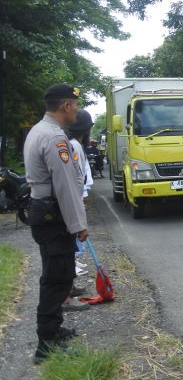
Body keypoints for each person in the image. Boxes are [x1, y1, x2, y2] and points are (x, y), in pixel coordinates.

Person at [23, 84, 89, 363]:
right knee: (56, 278)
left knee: (58, 273)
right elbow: (65, 187)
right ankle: (45, 344)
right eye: (75, 104)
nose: (77, 109)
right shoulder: (54, 138)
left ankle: (55, 330)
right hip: (53, 216)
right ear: (66, 106)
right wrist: (79, 225)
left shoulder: (41, 131)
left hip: (45, 213)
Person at [63, 109, 96, 312]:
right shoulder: (74, 146)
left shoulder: (75, 145)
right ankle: (66, 291)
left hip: (76, 198)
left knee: (72, 244)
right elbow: (74, 176)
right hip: (73, 199)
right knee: (71, 243)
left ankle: (70, 284)